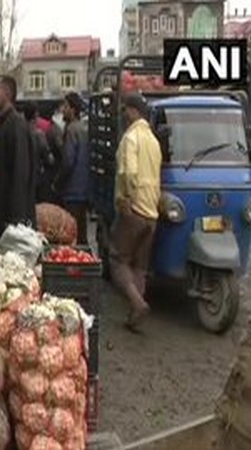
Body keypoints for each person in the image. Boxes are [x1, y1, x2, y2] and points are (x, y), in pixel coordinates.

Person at [110, 93, 162, 331]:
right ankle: (135, 314)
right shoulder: (153, 140)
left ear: (132, 111)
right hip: (152, 212)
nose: (123, 115)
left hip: (134, 211)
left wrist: (126, 200)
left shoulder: (131, 138)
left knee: (119, 261)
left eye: (125, 110)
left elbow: (128, 173)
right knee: (140, 266)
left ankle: (137, 303)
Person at [0, 75, 37, 257]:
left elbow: (21, 176)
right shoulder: (3, 124)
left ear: (6, 93)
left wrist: (16, 223)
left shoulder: (16, 126)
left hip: (9, 224)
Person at [53, 92, 90, 244]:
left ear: (73, 110)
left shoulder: (71, 130)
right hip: (83, 189)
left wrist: (57, 182)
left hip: (72, 189)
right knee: (81, 233)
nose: (63, 110)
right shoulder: (82, 128)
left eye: (66, 106)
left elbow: (68, 161)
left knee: (71, 234)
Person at [24, 102, 55, 203]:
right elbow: (49, 159)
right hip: (37, 180)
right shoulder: (39, 135)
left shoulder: (19, 133)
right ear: (36, 114)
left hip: (22, 179)